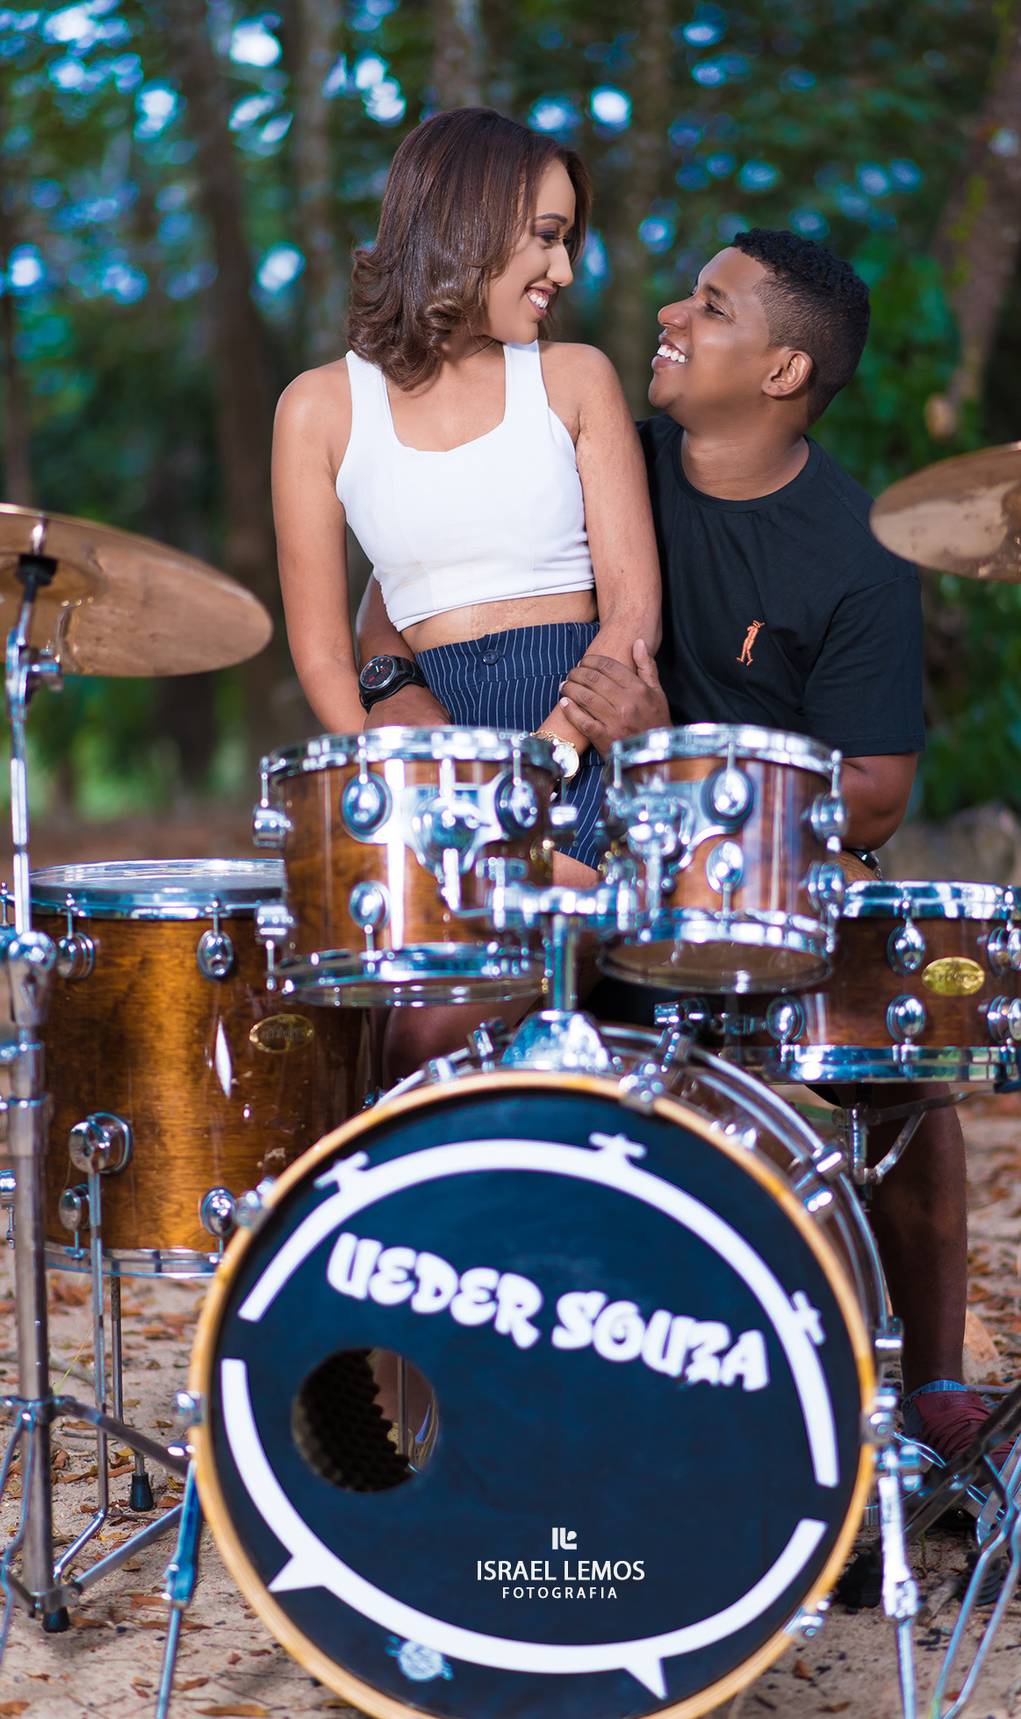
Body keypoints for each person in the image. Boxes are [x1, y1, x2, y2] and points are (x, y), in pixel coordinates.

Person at [554, 229, 987, 1468]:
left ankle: (938, 1386)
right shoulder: (613, 461)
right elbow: (434, 580)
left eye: (711, 306)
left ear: (785, 370)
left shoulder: (856, 547)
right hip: (591, 868)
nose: (670, 317)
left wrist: (671, 741)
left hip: (771, 889)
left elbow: (875, 798)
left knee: (906, 1063)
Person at [273, 107, 660, 1085]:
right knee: (370, 1028)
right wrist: (408, 785)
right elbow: (322, 653)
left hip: (576, 754)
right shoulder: (318, 408)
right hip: (425, 774)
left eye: (567, 241)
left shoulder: (575, 380)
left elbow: (632, 612)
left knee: (440, 1028)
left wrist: (548, 762)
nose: (564, 272)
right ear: (468, 224)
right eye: (547, 238)